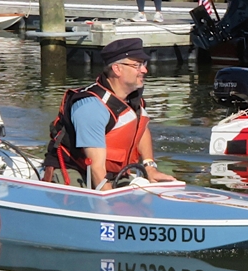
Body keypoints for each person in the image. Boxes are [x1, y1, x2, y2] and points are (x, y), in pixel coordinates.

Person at [42, 37, 176, 189]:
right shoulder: (92, 108)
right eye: (137, 65)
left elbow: (141, 129)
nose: (144, 70)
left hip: (114, 173)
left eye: (143, 64)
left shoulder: (133, 99)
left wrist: (149, 167)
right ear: (117, 69)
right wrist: (109, 204)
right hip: (75, 171)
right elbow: (96, 169)